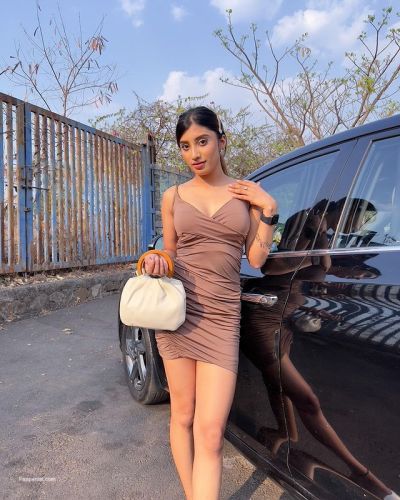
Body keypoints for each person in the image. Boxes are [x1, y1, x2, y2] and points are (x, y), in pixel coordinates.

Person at [142, 106, 278, 500]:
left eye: (202, 141)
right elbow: (170, 250)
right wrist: (156, 260)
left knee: (211, 433)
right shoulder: (173, 196)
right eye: (185, 146)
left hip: (221, 318)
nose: (195, 154)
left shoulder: (245, 195)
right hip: (179, 315)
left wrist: (268, 211)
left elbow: (256, 259)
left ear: (222, 140)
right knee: (182, 415)